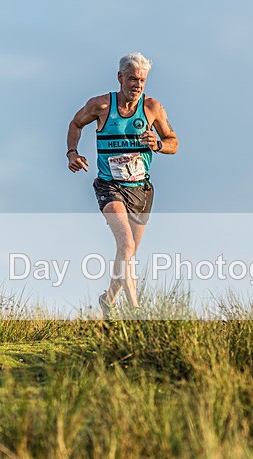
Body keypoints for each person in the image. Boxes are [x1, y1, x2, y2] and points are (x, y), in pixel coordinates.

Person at [66, 52, 178, 319]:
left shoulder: (152, 108)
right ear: (120, 78)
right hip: (110, 187)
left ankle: (108, 299)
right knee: (126, 245)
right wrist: (72, 152)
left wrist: (159, 145)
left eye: (141, 80)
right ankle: (135, 310)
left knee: (127, 253)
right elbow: (75, 123)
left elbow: (173, 141)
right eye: (132, 79)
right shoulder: (101, 106)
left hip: (141, 190)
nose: (137, 85)